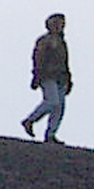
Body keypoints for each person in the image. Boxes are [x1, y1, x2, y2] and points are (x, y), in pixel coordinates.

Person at [21, 12, 72, 143]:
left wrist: (68, 78)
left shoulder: (61, 42)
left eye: (61, 24)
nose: (59, 26)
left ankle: (51, 134)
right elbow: (38, 58)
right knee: (52, 101)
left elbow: (65, 62)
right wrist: (37, 74)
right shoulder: (45, 40)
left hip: (60, 77)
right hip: (48, 75)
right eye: (56, 23)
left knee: (59, 107)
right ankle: (30, 120)